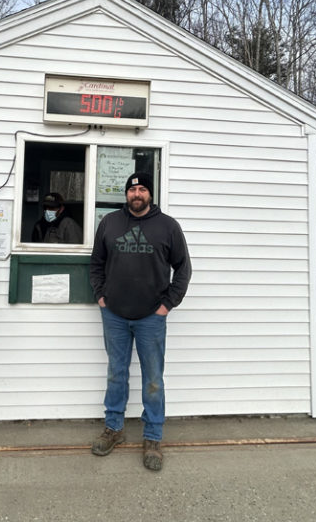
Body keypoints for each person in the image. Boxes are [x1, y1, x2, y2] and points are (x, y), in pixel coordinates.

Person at [89, 171, 191, 471]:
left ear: (150, 194)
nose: (137, 194)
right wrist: (101, 297)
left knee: (153, 380)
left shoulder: (168, 227)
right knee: (116, 374)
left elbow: (183, 269)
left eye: (143, 189)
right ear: (126, 195)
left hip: (151, 318)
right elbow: (96, 264)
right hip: (115, 315)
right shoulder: (109, 223)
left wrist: (167, 305)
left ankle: (153, 437)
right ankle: (114, 429)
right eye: (132, 190)